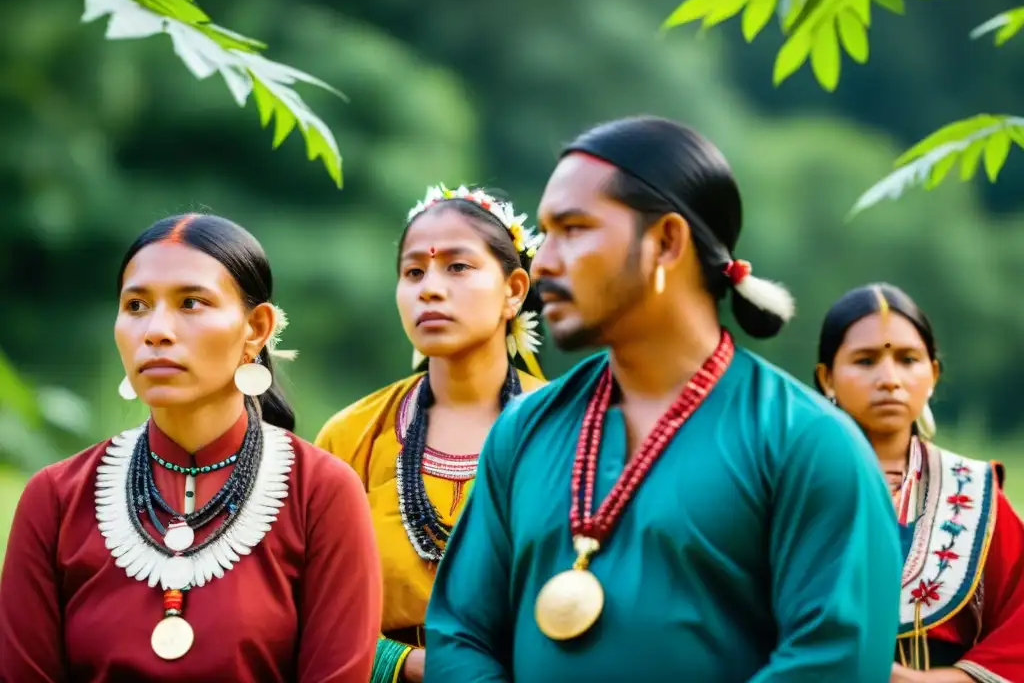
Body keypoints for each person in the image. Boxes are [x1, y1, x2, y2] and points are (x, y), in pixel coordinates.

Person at [424, 116, 903, 682]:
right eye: (546, 233)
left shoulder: (809, 444)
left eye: (574, 229)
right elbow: (460, 633)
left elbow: (833, 661)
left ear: (667, 242)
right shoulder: (524, 429)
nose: (544, 261)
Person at [0, 213, 382, 682]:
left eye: (191, 303)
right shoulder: (56, 500)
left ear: (256, 328)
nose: (156, 330)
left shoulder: (319, 494)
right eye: (136, 305)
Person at [316, 184, 547, 683]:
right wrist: (408, 665)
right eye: (414, 271)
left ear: (514, 290)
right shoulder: (352, 436)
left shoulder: (569, 428)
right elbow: (312, 611)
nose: (431, 288)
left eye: (457, 267)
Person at [816, 283, 1024, 683]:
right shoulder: (790, 488)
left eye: (908, 359)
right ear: (827, 378)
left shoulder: (975, 492)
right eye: (865, 360)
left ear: (933, 373)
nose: (889, 378)